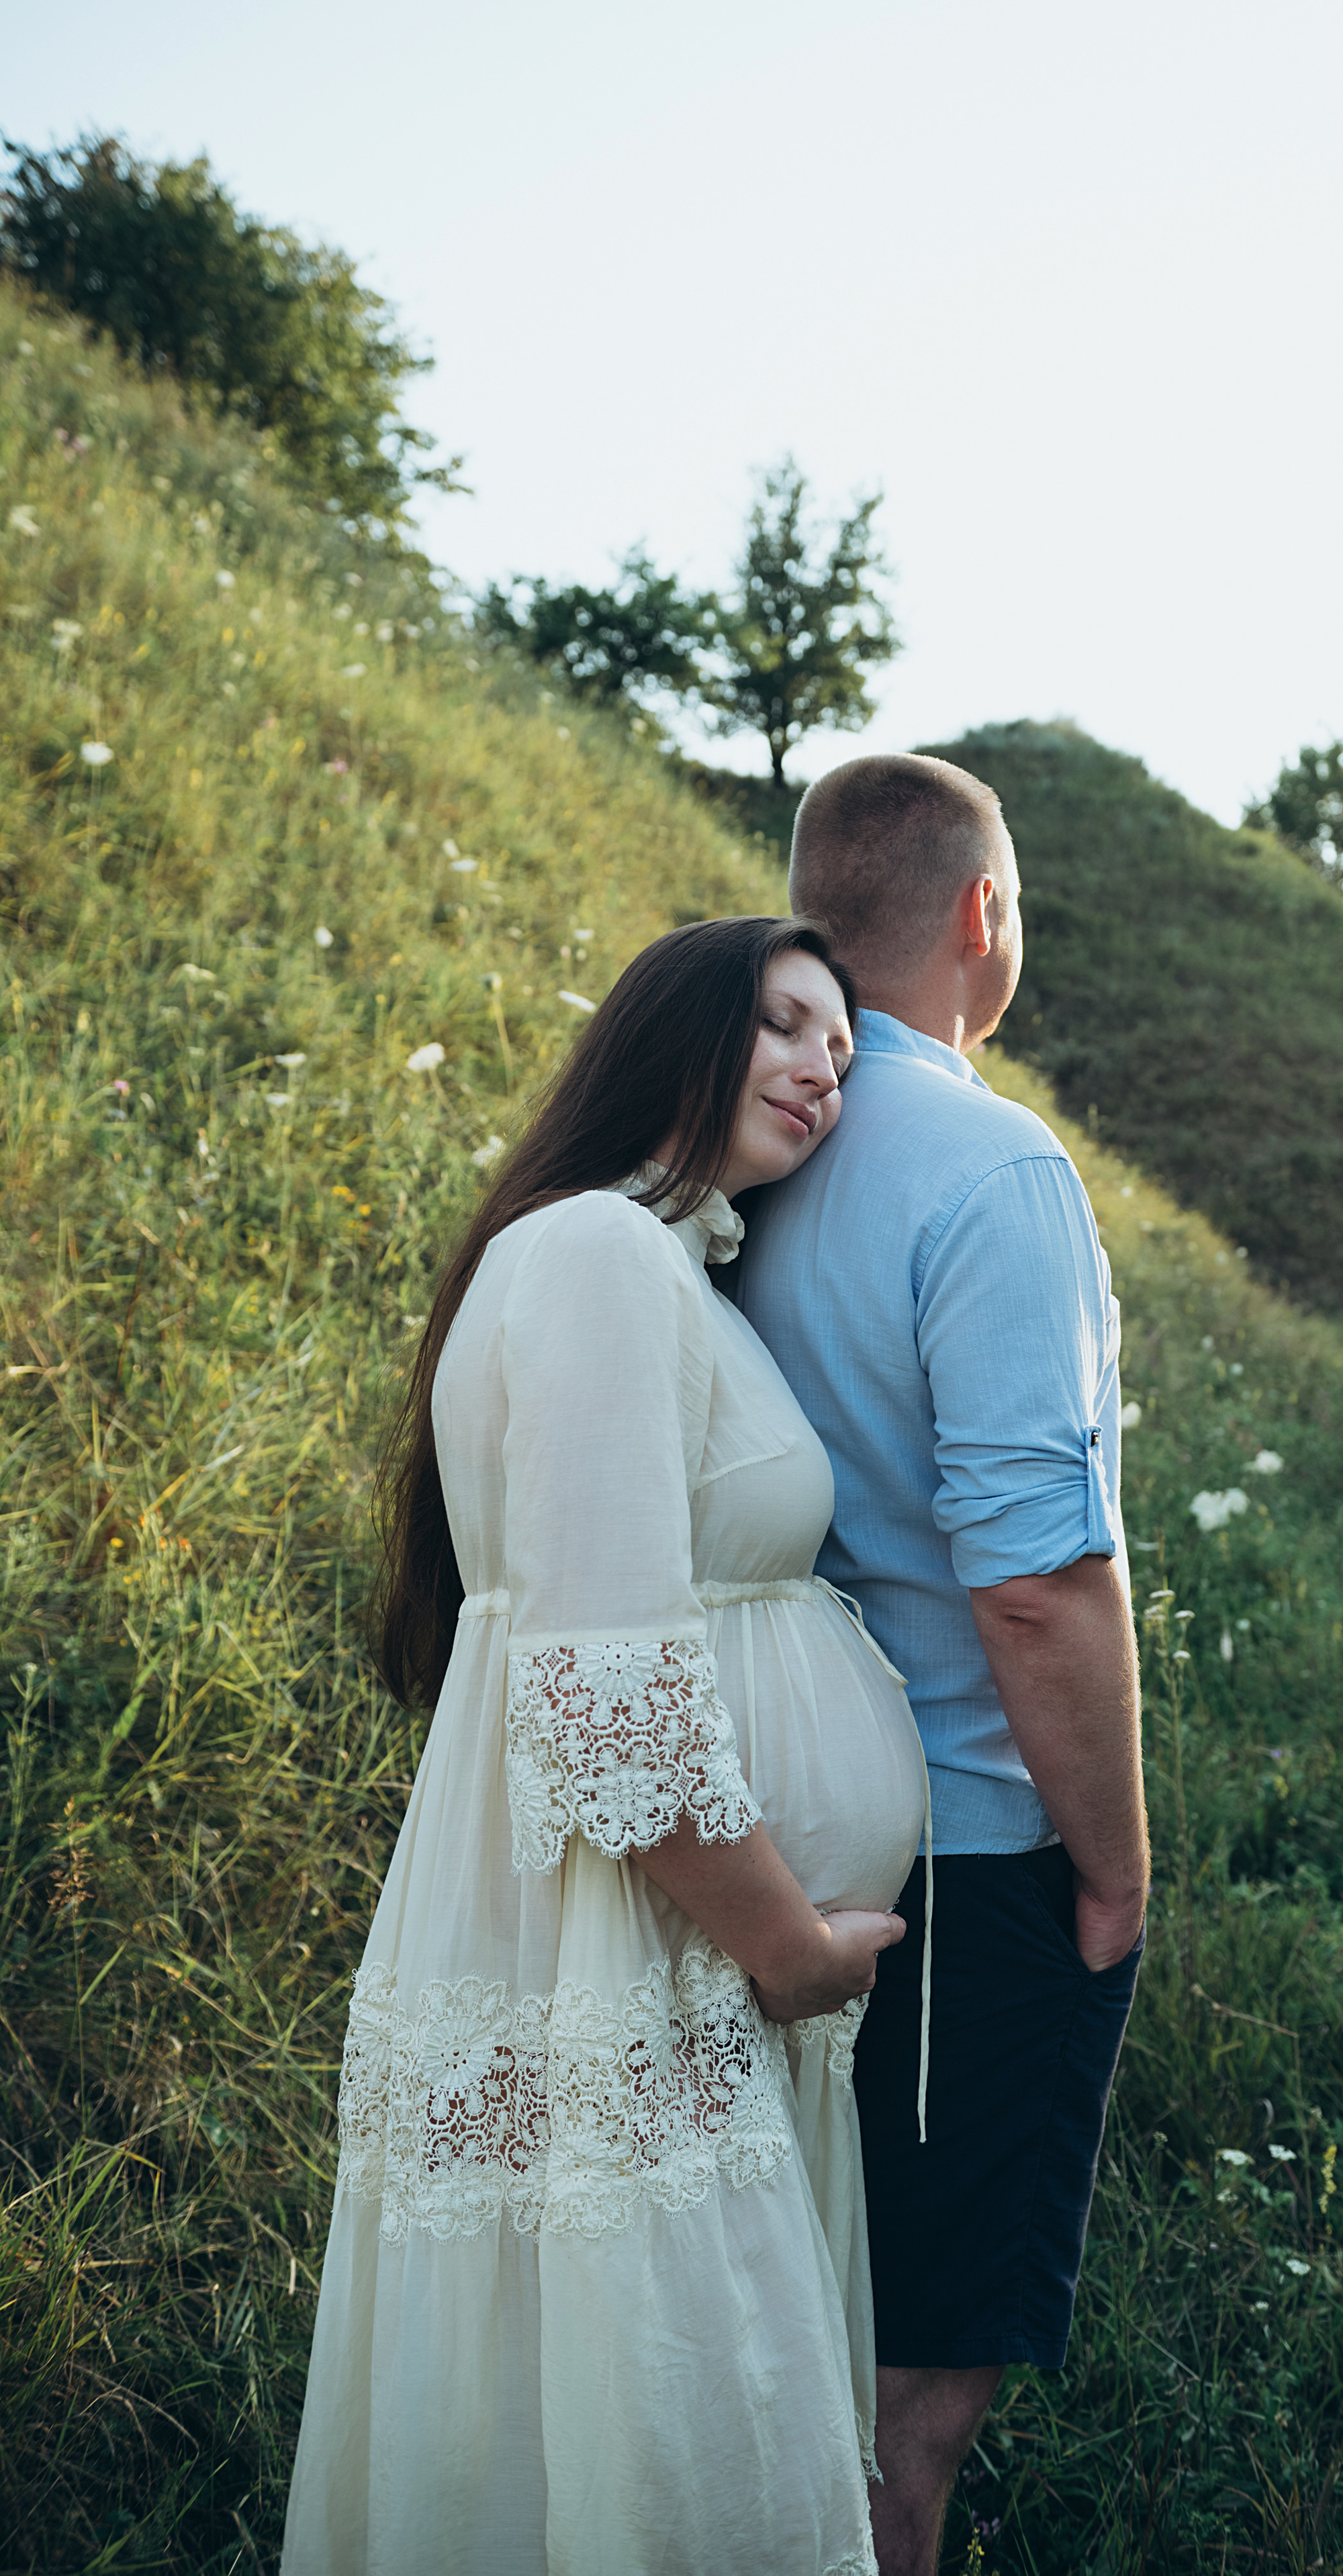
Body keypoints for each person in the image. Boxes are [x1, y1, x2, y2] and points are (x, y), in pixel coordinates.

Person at [282, 916, 929, 2576]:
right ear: (677, 1028)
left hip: (669, 1940)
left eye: (845, 1055)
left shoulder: (665, 1269)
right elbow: (602, 1689)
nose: (820, 1073)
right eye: (786, 1026)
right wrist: (785, 1948)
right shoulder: (593, 1255)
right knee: (631, 2404)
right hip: (634, 1936)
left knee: (642, 2393)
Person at [738, 754, 1151, 2576]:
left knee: (788, 2329)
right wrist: (1118, 1869)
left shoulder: (745, 1142)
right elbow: (1041, 1587)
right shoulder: (991, 1164)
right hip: (968, 1855)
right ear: (984, 915)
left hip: (769, 1830)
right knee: (909, 2409)